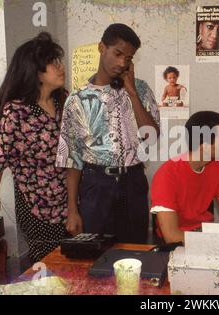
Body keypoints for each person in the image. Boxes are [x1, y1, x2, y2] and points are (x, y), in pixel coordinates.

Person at [0, 32, 69, 262]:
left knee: (75, 267)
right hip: (37, 211)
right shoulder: (17, 111)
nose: (60, 67)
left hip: (71, 205)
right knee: (48, 271)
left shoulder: (63, 101)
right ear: (36, 72)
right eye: (53, 63)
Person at [56, 24, 160, 244]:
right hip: (96, 183)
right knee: (96, 253)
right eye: (118, 53)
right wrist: (72, 210)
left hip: (133, 181)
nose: (122, 63)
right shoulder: (77, 99)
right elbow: (72, 159)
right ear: (101, 47)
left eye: (129, 58)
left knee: (135, 251)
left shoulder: (141, 90)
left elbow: (151, 137)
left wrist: (131, 93)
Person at [150, 111, 219, 244]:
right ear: (205, 147)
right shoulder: (167, 175)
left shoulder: (216, 166)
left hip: (204, 235)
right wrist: (218, 241)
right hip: (178, 242)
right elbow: (172, 236)